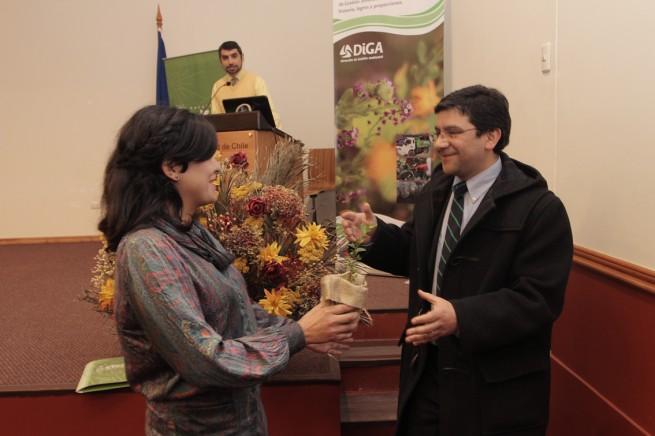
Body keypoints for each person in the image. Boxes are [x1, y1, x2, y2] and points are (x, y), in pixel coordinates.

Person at [99, 105, 359, 435]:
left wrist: (308, 328)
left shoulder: (189, 232)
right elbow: (204, 359)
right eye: (208, 156)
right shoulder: (147, 251)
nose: (218, 166)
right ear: (172, 167)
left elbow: (237, 307)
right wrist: (299, 334)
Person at [341, 85, 573, 435]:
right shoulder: (437, 190)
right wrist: (374, 237)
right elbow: (415, 253)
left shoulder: (540, 209)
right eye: (438, 132)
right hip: (428, 374)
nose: (438, 143)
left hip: (493, 391)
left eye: (452, 132)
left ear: (491, 137)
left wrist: (461, 317)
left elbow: (538, 299)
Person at [210, 40, 281, 127]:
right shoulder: (218, 86)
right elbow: (216, 122)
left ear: (242, 57)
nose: (230, 62)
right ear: (220, 62)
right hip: (229, 139)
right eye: (225, 58)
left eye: (234, 56)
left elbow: (272, 116)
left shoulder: (256, 81)